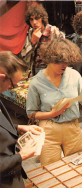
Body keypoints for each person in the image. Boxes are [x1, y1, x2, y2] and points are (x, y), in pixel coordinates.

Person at [26, 39, 82, 166]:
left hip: (72, 129)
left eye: (67, 62)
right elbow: (31, 113)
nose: (64, 66)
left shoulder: (74, 76)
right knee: (51, 169)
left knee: (78, 166)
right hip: (48, 130)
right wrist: (52, 114)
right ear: (50, 60)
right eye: (60, 62)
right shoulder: (36, 82)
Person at [0, 51, 43, 188]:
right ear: (1, 78)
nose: (11, 89)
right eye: (12, 85)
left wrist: (18, 127)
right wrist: (21, 156)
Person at [20, 4, 65, 76]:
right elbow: (24, 57)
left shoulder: (53, 31)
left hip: (52, 69)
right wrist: (33, 43)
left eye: (37, 18)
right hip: (36, 70)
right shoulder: (30, 33)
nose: (34, 22)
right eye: (31, 19)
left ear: (42, 19)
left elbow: (64, 53)